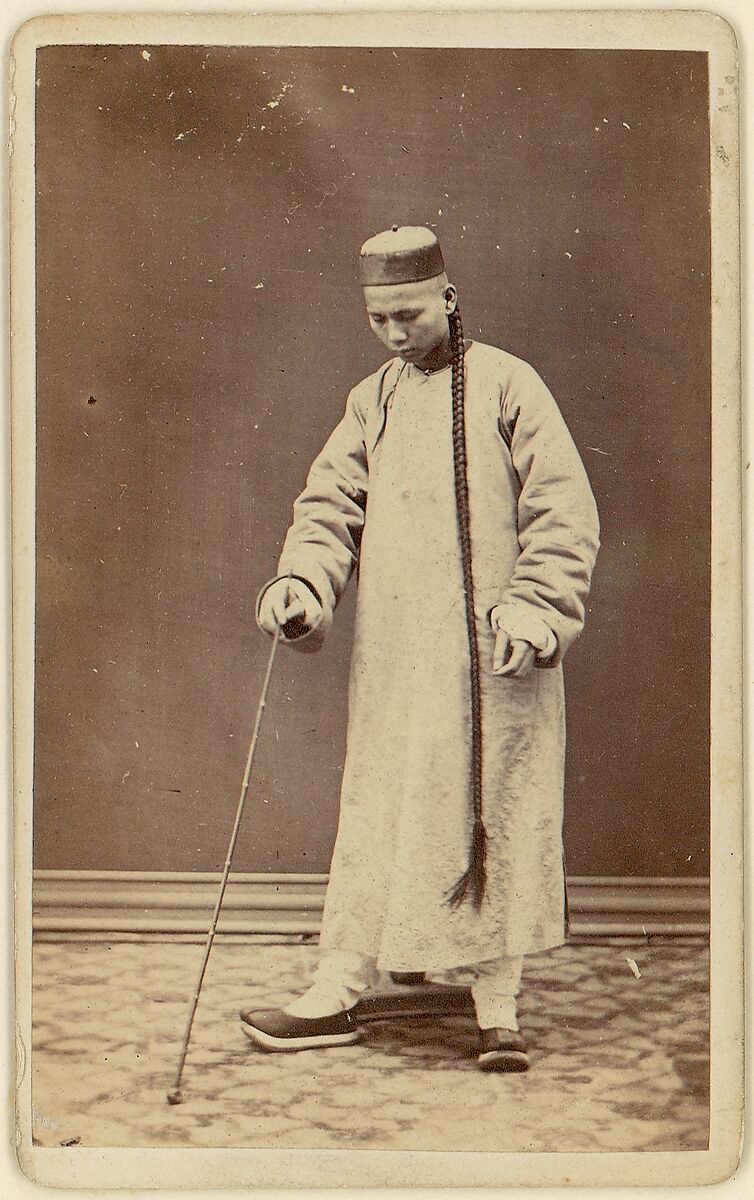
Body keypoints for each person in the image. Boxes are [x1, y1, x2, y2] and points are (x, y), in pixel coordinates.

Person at [240, 225, 599, 1071]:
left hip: (494, 652)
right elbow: (329, 505)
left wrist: (537, 609)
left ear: (446, 296)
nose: (397, 335)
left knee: (491, 809)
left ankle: (497, 1007)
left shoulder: (511, 384)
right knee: (382, 806)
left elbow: (564, 511)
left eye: (408, 314)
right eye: (379, 321)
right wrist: (301, 585)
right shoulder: (375, 399)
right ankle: (338, 987)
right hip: (397, 656)